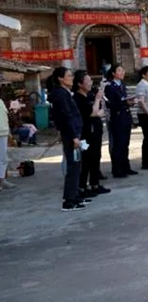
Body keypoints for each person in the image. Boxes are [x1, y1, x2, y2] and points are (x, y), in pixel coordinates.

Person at [48, 67, 86, 211]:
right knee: (73, 166)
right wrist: (74, 136)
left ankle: (75, 196)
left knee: (76, 165)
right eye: (69, 76)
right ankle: (69, 200)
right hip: (70, 134)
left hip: (73, 132)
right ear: (60, 78)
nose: (72, 78)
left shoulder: (64, 93)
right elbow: (66, 116)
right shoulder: (61, 95)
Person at [72, 70, 111, 197]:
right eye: (87, 80)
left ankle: (95, 184)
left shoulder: (89, 95)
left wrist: (97, 106)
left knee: (96, 157)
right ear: (79, 84)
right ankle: (82, 187)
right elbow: (92, 112)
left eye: (90, 80)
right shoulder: (78, 98)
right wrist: (98, 100)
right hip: (85, 134)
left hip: (96, 131)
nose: (90, 83)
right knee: (86, 160)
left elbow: (99, 111)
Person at [104, 64, 137, 179]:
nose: (122, 72)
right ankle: (117, 170)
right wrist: (123, 103)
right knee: (118, 145)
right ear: (113, 73)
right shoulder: (109, 86)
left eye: (123, 70)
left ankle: (126, 167)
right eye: (119, 70)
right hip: (117, 118)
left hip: (126, 117)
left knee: (125, 144)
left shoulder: (122, 85)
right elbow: (109, 104)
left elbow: (124, 100)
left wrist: (130, 102)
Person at [0, 99, 12, 190]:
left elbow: (5, 118)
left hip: (3, 132)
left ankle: (2, 179)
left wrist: (9, 132)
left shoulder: (1, 102)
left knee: (3, 158)